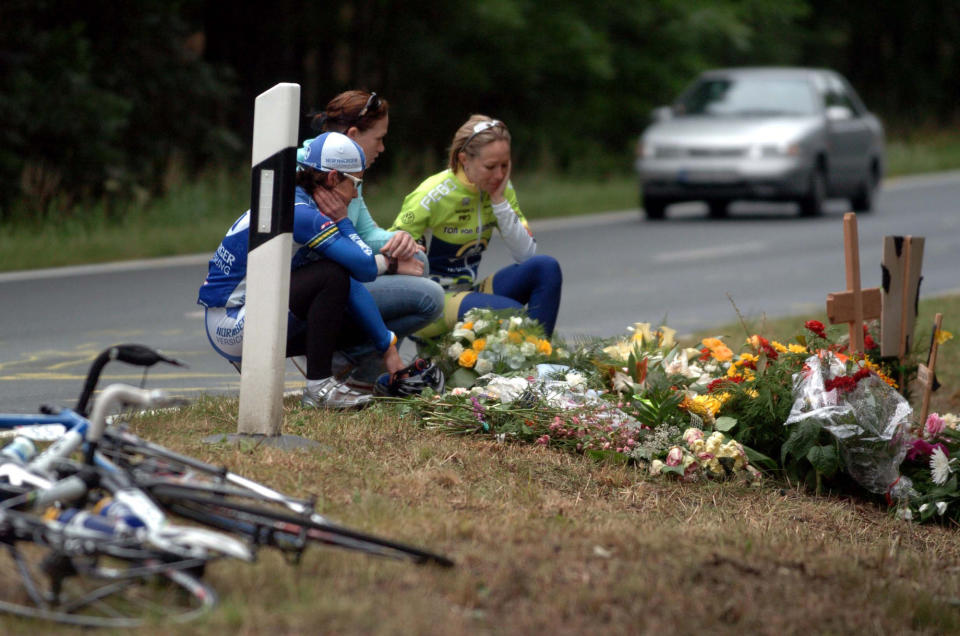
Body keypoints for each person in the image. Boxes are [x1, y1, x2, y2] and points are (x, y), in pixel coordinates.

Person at [198, 131, 405, 409]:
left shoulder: (296, 199)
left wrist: (386, 347)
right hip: (233, 325)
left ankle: (335, 375)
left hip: (232, 319)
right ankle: (319, 386)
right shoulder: (303, 214)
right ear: (333, 178)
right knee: (332, 276)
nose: (356, 194)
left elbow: (354, 280)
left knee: (344, 294)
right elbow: (366, 268)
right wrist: (344, 222)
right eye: (355, 183)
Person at [308, 90, 444, 386]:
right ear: (353, 135)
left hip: (342, 273)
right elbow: (335, 253)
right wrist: (391, 265)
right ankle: (352, 360)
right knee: (430, 297)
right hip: (319, 288)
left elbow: (366, 232)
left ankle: (361, 363)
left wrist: (402, 240)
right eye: (379, 138)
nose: (382, 147)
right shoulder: (322, 174)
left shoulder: (346, 167)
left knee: (417, 258)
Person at [390, 115, 562, 337]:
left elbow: (525, 255)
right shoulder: (432, 194)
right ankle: (532, 355)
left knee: (545, 267)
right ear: (464, 159)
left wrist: (499, 201)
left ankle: (541, 361)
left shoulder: (500, 188)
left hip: (466, 292)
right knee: (512, 313)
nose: (499, 175)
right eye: (490, 166)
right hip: (430, 301)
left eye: (505, 165)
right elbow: (391, 253)